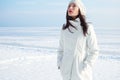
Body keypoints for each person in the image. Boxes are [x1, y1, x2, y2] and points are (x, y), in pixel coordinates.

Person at [57, 0, 99, 80]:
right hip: (66, 73)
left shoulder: (87, 28)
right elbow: (61, 49)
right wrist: (60, 64)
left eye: (74, 6)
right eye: (69, 6)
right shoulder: (64, 29)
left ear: (80, 9)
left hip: (81, 75)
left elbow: (94, 51)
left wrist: (85, 67)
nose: (70, 7)